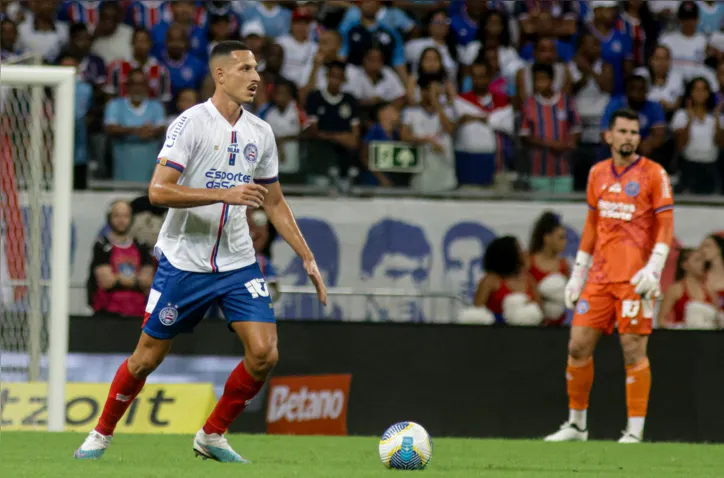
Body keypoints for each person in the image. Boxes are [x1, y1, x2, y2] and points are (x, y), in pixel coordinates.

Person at [74, 40, 328, 462]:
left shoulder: (260, 133)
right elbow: (157, 191)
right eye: (245, 68)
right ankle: (101, 434)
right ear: (221, 75)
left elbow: (275, 202)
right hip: (184, 261)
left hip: (237, 261)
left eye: (257, 69)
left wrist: (306, 255)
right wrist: (222, 193)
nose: (256, 77)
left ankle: (212, 434)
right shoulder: (189, 124)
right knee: (145, 359)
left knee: (265, 353)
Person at [545, 108, 675, 444]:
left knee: (633, 349)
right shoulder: (597, 174)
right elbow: (592, 226)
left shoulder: (654, 174)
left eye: (635, 132)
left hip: (636, 280)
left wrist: (655, 268)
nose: (630, 137)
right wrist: (577, 275)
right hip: (599, 278)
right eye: (623, 131)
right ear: (609, 136)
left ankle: (634, 431)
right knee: (577, 346)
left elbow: (665, 225)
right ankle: (576, 425)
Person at [87, 200, 155, 318]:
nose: (121, 220)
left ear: (131, 218)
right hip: (107, 314)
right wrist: (135, 280)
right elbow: (106, 282)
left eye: (125, 216)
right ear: (109, 218)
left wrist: (117, 278)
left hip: (138, 314)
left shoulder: (142, 246)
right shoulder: (102, 246)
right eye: (116, 216)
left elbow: (147, 281)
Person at [473, 235, 543, 326]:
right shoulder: (489, 281)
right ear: (508, 254)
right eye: (519, 249)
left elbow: (539, 311)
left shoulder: (529, 280)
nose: (524, 252)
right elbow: (477, 314)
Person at [657, 248, 719, 329]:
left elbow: (717, 317)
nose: (702, 264)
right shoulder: (676, 289)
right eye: (697, 260)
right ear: (685, 265)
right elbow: (661, 320)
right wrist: (678, 328)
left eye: (703, 261)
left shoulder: (709, 289)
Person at [528, 211, 570, 326]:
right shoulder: (528, 261)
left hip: (556, 324)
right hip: (532, 322)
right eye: (560, 238)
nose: (565, 242)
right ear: (547, 238)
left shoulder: (564, 265)